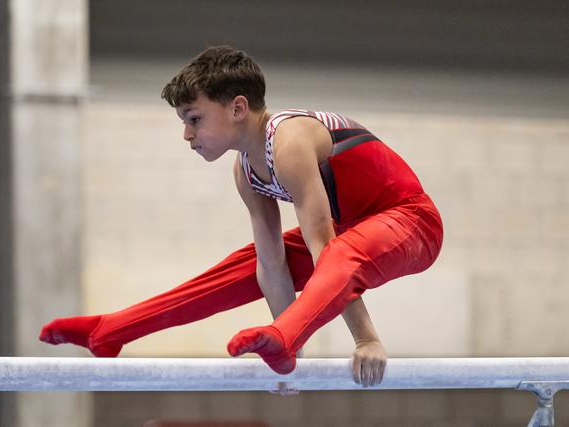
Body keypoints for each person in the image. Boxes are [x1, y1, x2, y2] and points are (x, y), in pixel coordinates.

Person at [40, 46, 443, 387]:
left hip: (411, 223)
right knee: (247, 264)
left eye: (194, 119)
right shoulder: (245, 169)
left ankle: (284, 337)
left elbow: (326, 249)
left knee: (336, 253)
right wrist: (292, 360)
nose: (187, 135)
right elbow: (272, 265)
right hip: (351, 232)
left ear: (237, 108)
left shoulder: (290, 141)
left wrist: (365, 341)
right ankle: (112, 330)